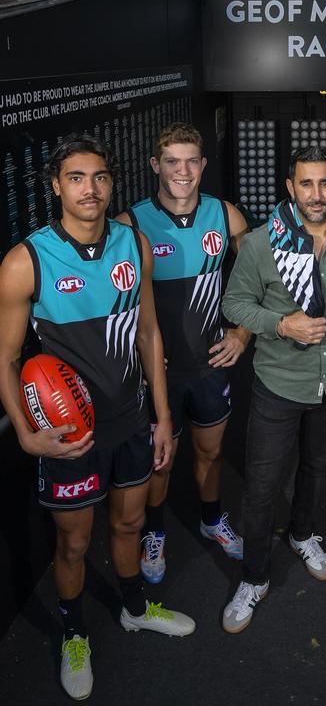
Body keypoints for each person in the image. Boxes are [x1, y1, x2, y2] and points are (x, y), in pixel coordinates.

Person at [0, 134, 195, 703]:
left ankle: (135, 608)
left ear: (113, 183)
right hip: (71, 437)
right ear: (56, 185)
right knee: (76, 545)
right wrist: (29, 436)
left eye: (101, 177)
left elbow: (150, 331)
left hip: (132, 422)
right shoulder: (25, 260)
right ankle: (75, 632)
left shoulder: (134, 244)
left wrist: (162, 417)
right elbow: (7, 358)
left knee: (130, 526)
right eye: (77, 178)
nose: (91, 189)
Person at [220, 145, 326, 633]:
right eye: (306, 184)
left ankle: (303, 534)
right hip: (278, 385)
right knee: (263, 487)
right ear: (290, 188)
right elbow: (235, 305)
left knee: (316, 468)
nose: (317, 194)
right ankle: (254, 577)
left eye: (325, 183)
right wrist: (280, 324)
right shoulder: (262, 243)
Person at [116, 122, 250, 583]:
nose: (183, 170)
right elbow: (109, 303)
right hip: (159, 373)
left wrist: (242, 334)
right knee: (162, 460)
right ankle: (155, 533)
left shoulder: (226, 215)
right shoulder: (129, 226)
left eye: (192, 160)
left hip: (209, 366)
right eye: (172, 161)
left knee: (210, 454)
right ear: (156, 165)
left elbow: (261, 282)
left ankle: (212, 520)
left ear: (203, 165)